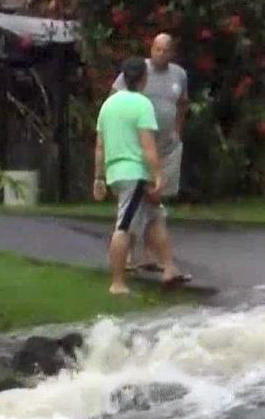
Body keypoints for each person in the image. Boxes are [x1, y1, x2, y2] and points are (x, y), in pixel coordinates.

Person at [93, 57, 184, 295]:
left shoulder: (108, 105)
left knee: (155, 216)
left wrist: (98, 178)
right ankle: (117, 283)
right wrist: (158, 174)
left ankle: (169, 268)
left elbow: (99, 147)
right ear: (144, 79)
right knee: (124, 226)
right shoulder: (141, 104)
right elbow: (148, 146)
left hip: (116, 172)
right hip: (135, 173)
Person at [112, 33, 189, 271]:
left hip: (166, 146)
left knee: (155, 201)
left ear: (172, 52)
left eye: (166, 50)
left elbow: (183, 104)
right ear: (151, 49)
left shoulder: (179, 74)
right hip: (140, 148)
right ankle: (127, 255)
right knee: (137, 202)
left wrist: (177, 130)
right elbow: (115, 97)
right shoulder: (138, 72)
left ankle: (148, 255)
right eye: (157, 49)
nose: (160, 54)